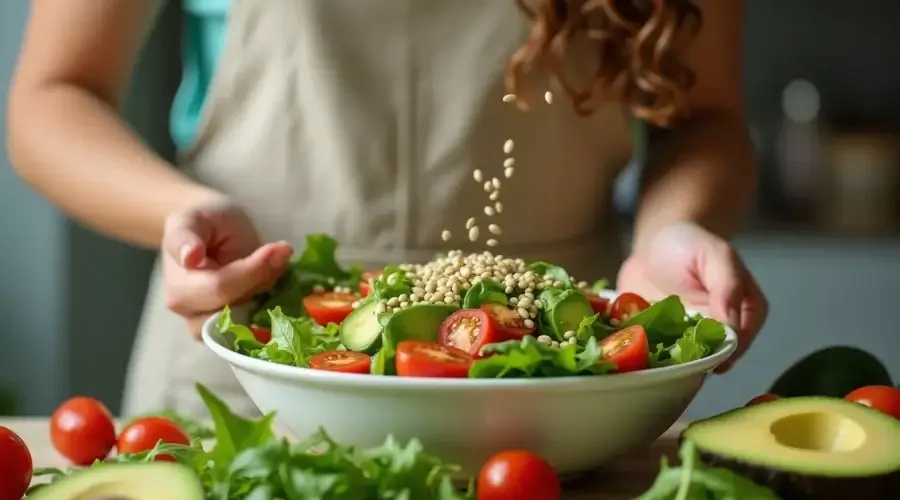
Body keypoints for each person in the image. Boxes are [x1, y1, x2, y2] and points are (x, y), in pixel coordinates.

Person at [7, 0, 766, 418]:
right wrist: (182, 212)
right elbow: (52, 97)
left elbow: (706, 117)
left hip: (554, 379)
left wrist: (669, 230)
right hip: (253, 355)